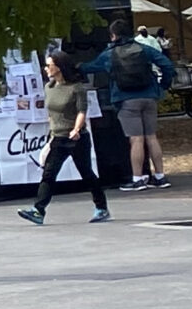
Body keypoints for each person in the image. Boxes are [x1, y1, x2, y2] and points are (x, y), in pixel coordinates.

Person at [20, 52, 109, 225]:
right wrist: (51, 129)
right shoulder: (49, 87)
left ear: (59, 67)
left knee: (86, 173)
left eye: (49, 65)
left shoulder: (77, 88)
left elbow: (82, 111)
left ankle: (102, 207)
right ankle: (38, 210)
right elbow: (52, 112)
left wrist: (76, 129)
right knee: (48, 174)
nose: (46, 69)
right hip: (57, 138)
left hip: (76, 138)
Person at [92, 17, 176, 192]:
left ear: (113, 35)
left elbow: (90, 67)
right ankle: (160, 176)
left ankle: (137, 179)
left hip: (126, 99)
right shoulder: (144, 49)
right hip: (150, 96)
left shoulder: (109, 54)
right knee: (151, 137)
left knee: (136, 139)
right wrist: (163, 85)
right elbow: (167, 65)